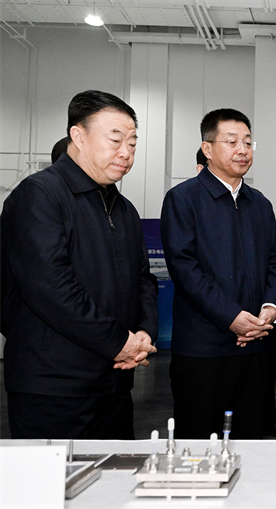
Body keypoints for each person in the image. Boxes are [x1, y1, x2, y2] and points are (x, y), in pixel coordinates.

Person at [0, 90, 158, 439]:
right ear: (78, 135)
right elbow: (51, 287)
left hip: (115, 381)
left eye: (132, 144)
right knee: (55, 476)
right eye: (115, 140)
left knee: (116, 472)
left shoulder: (124, 209)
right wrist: (118, 341)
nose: (126, 152)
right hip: (54, 386)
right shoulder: (39, 195)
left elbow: (143, 280)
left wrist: (143, 332)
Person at [160, 108, 276, 439]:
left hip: (256, 346)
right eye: (232, 142)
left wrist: (270, 308)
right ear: (207, 148)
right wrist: (232, 317)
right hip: (204, 350)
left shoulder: (260, 204)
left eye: (247, 142)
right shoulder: (183, 199)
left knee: (251, 439)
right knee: (200, 442)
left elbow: (274, 263)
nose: (242, 150)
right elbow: (184, 268)